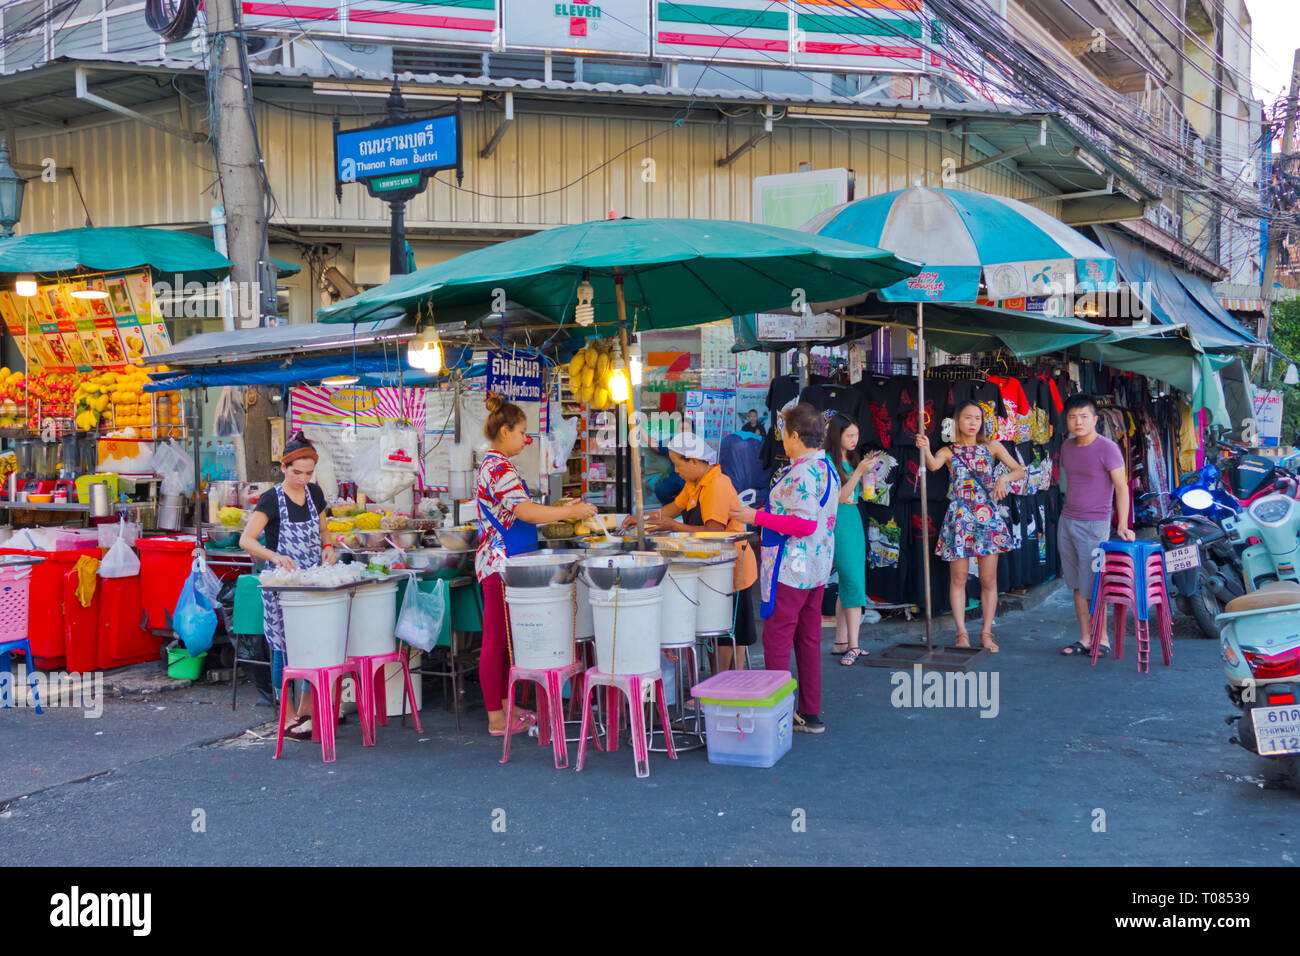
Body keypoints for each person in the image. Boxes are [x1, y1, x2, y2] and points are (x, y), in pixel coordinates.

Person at [476, 392, 596, 735]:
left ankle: (504, 708)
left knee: (503, 645)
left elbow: (522, 510)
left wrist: (559, 509)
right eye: (521, 432)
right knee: (496, 643)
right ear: (504, 432)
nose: (525, 440)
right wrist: (570, 512)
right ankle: (496, 719)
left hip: (508, 562)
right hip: (500, 564)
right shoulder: (497, 467)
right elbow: (524, 512)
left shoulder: (498, 465)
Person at [731, 402, 838, 734]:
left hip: (792, 566)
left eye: (782, 433)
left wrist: (756, 517)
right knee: (808, 640)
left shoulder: (804, 471)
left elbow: (802, 524)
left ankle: (776, 713)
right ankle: (809, 712)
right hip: (816, 566)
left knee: (777, 639)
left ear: (794, 434)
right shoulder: (826, 466)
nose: (781, 439)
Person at [632, 432, 759, 670]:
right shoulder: (695, 483)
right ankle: (719, 685)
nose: (676, 470)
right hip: (714, 564)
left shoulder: (716, 485)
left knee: (728, 629)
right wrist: (640, 519)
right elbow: (673, 507)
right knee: (718, 627)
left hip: (732, 566)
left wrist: (675, 527)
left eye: (678, 464)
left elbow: (713, 531)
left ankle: (726, 686)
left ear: (693, 460)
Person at [240, 435, 339, 741]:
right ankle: (287, 712)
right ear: (284, 467)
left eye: (309, 473)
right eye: (297, 472)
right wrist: (275, 557)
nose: (303, 479)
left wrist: (328, 546)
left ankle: (307, 712)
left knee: (313, 645)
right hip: (282, 586)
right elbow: (247, 540)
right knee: (283, 647)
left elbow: (323, 530)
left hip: (311, 583)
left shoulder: (315, 494)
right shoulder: (272, 499)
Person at [916, 400, 1027, 653]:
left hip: (987, 517)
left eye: (977, 418)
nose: (973, 422)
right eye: (968, 417)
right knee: (959, 578)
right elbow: (932, 465)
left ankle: (986, 632)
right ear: (957, 421)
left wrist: (1004, 477)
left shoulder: (992, 445)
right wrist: (924, 448)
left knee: (988, 579)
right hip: (960, 517)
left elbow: (1020, 470)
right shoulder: (949, 451)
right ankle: (961, 633)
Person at [1056, 393, 1135, 657]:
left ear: (1095, 419)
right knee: (1078, 585)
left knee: (1094, 584)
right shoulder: (1067, 447)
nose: (1078, 422)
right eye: (1072, 417)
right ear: (1067, 420)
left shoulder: (1107, 447)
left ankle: (1103, 639)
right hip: (1067, 521)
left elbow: (1122, 488)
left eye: (1083, 417)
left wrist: (1122, 524)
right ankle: (1086, 637)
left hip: (1095, 524)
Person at [824, 415, 877, 666]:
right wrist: (858, 472)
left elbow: (857, 493)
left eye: (856, 435)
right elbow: (839, 496)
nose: (855, 440)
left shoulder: (851, 459)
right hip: (840, 519)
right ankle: (854, 646)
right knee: (853, 581)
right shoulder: (828, 463)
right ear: (837, 436)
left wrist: (869, 476)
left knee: (848, 580)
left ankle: (841, 641)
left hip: (853, 518)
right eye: (849, 436)